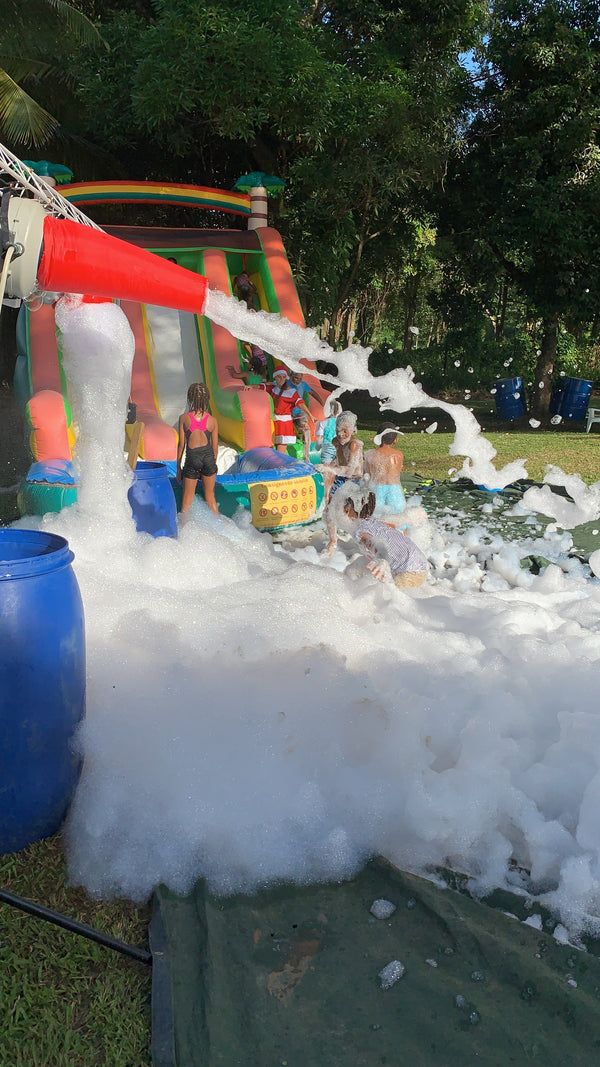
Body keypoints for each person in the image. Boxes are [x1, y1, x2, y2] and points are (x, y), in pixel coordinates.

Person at [341, 487, 429, 588]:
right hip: (419, 562)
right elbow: (392, 526)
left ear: (347, 510)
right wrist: (409, 517)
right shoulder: (373, 521)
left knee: (394, 597)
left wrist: (382, 559)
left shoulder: (360, 532)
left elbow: (375, 545)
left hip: (408, 572)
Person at [177, 382, 219, 516]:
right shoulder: (212, 420)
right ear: (206, 399)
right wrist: (211, 467)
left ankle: (184, 533)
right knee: (211, 499)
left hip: (192, 459)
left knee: (187, 503)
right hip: (208, 459)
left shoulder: (184, 418)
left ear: (190, 399)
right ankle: (221, 531)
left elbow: (181, 445)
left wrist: (179, 469)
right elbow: (215, 448)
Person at [257, 367, 316, 453]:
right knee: (275, 447)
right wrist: (249, 386)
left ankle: (305, 453)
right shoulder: (276, 386)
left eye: (284, 377)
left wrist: (311, 415)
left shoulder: (294, 389)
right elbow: (263, 386)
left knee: (281, 450)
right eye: (279, 377)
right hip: (276, 420)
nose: (282, 379)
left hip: (289, 419)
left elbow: (302, 402)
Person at [364, 421, 406, 513]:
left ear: (378, 437)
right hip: (395, 490)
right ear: (395, 440)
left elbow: (368, 476)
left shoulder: (370, 455)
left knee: (376, 521)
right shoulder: (399, 455)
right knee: (400, 521)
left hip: (377, 489)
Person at [286, 370, 322, 463]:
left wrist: (321, 402)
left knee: (306, 430)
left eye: (300, 378)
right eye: (296, 378)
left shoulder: (303, 385)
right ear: (291, 375)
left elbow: (313, 393)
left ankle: (306, 457)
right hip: (287, 412)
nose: (298, 380)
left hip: (299, 412)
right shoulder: (285, 383)